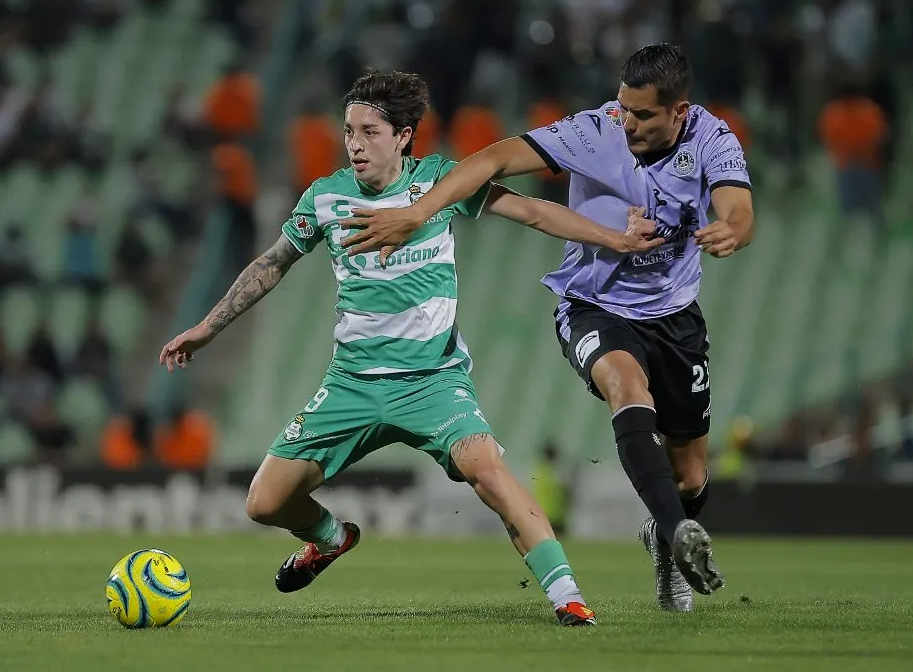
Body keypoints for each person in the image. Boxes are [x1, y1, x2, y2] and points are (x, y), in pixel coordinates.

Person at [158, 70, 664, 627]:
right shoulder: (326, 197)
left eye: (369, 131)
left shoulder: (441, 185)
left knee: (489, 473)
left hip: (434, 382)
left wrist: (616, 238)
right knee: (264, 503)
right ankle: (331, 538)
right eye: (348, 130)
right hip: (351, 382)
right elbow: (272, 262)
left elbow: (534, 211)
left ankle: (569, 598)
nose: (354, 143)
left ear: (403, 136)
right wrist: (208, 326)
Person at [339, 44, 755, 612]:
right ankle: (676, 531)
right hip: (593, 306)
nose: (626, 122)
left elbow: (738, 206)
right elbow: (492, 161)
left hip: (676, 317)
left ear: (679, 111)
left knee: (690, 477)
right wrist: (419, 211)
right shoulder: (596, 130)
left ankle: (665, 536)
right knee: (627, 390)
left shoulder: (712, 138)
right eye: (623, 107)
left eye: (642, 115)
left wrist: (733, 228)